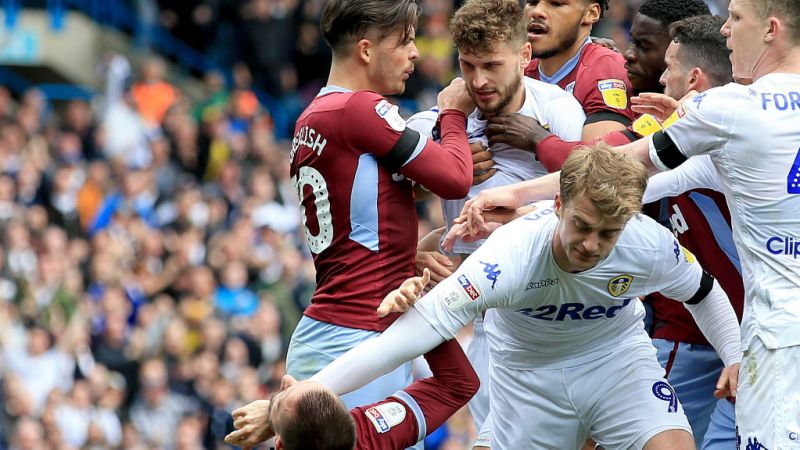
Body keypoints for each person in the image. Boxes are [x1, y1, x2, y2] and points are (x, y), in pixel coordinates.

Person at [457, 2, 800, 447]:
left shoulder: (728, 108)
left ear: (771, 29)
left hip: (778, 336)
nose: (727, 31)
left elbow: (617, 169)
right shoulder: (726, 127)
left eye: (735, 19)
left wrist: (516, 194)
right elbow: (630, 190)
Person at [310, 146, 742, 450]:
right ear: (557, 205)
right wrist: (311, 390)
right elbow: (410, 335)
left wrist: (735, 355)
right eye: (582, 225)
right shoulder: (511, 254)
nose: (591, 245)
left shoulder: (649, 244)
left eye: (608, 233)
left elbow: (703, 292)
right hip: (528, 376)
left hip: (616, 361)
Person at [286, 0, 475, 427]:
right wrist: (454, 114)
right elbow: (456, 179)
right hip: (358, 333)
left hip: (343, 326)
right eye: (405, 40)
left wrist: (409, 256)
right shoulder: (358, 109)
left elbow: (367, 217)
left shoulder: (313, 117)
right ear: (367, 50)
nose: (416, 53)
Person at [406, 0, 585, 443]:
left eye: (492, 65)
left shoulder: (558, 111)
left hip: (563, 310)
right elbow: (384, 204)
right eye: (467, 65)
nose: (479, 81)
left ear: (525, 56)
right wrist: (417, 250)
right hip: (490, 317)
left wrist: (518, 214)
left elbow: (586, 202)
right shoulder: (435, 124)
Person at [222, 271, 480, 450]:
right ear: (351, 415)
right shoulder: (369, 434)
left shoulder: (366, 438)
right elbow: (459, 384)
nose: (287, 379)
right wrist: (417, 311)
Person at [492, 0, 712, 172]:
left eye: (557, 3)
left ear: (591, 14)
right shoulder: (516, 70)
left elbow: (599, 170)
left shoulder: (605, 70)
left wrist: (538, 139)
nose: (537, 11)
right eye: (531, 1)